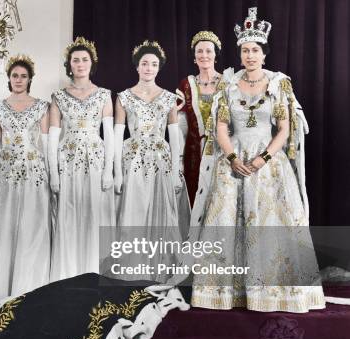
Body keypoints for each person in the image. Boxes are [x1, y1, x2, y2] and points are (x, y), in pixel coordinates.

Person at [190, 8, 326, 312]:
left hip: (269, 162)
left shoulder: (279, 84)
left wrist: (264, 158)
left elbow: (285, 129)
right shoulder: (227, 85)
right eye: (245, 50)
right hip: (234, 161)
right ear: (239, 55)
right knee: (228, 224)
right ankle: (228, 293)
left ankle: (272, 293)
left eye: (255, 50)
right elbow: (221, 127)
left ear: (264, 54)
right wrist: (232, 157)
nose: (250, 55)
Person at [112, 40, 187, 283]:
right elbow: (117, 134)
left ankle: (158, 270)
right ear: (137, 67)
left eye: (154, 64)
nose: (149, 68)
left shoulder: (168, 98)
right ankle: (132, 270)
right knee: (133, 212)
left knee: (160, 214)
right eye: (145, 63)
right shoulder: (124, 97)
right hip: (132, 159)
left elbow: (174, 137)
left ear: (159, 68)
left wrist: (176, 170)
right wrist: (116, 172)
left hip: (160, 160)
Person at [0, 54, 51, 304]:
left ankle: (30, 289)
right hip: (5, 173)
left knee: (32, 228)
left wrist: (50, 174)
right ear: (9, 79)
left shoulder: (42, 106)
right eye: (15, 76)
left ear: (30, 79)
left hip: (34, 171)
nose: (19, 80)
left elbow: (45, 143)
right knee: (6, 228)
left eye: (24, 76)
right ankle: (3, 292)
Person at [48, 36, 115, 281]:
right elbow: (53, 137)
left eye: (84, 59)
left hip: (95, 158)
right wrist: (53, 173)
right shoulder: (58, 97)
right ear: (70, 64)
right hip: (68, 159)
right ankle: (68, 273)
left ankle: (93, 269)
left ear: (91, 63)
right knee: (69, 211)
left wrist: (109, 170)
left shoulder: (104, 95)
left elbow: (109, 135)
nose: (80, 64)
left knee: (93, 212)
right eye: (75, 60)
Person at [176, 31, 225, 207]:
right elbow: (181, 127)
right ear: (194, 57)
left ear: (215, 55)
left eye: (208, 51)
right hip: (194, 155)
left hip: (223, 153)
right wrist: (179, 159)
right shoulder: (186, 84)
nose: (204, 55)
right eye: (199, 51)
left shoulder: (229, 82)